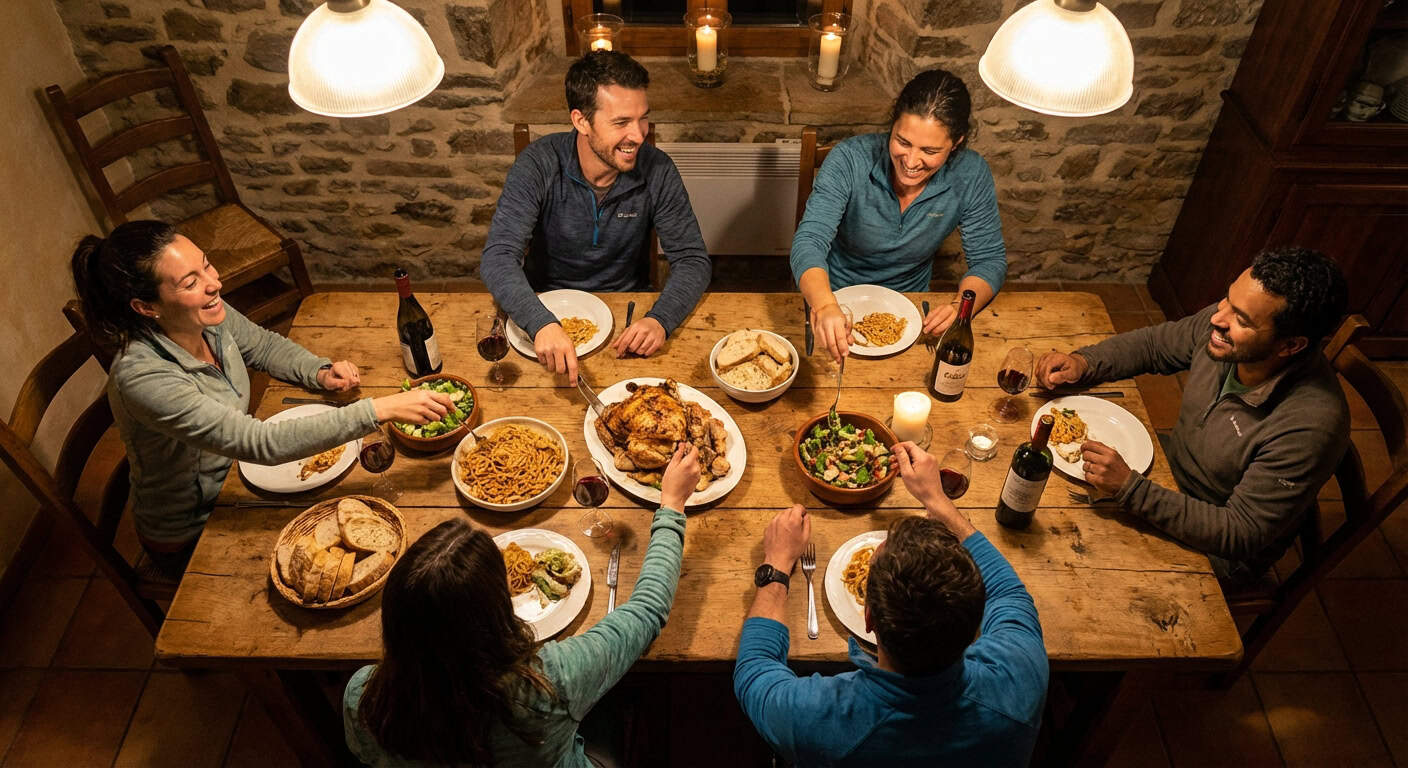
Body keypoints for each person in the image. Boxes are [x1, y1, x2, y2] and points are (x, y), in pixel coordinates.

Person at [71, 221, 451, 573]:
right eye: (190, 281)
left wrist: (318, 371)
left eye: (207, 266)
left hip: (242, 476)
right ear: (146, 307)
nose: (213, 283)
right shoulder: (143, 378)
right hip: (198, 528)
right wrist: (378, 408)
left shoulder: (202, 313)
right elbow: (260, 442)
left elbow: (263, 346)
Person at [344, 443, 700, 767]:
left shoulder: (362, 697)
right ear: (495, 612)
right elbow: (648, 608)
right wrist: (671, 506)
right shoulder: (551, 680)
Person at [1035, 246, 1350, 583]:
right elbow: (1155, 345)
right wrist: (1084, 363)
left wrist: (1130, 489)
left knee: (1077, 571)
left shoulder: (1311, 427)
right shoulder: (1224, 328)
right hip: (1167, 473)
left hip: (1216, 546)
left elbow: (1239, 532)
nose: (1217, 318)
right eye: (1228, 299)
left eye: (1241, 319)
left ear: (1291, 346)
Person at [733, 443, 1048, 767]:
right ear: (974, 623)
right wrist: (940, 503)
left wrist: (777, 565)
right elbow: (1010, 593)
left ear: (868, 617)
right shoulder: (1022, 678)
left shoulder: (822, 721)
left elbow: (754, 673)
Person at [481, 50, 712, 384]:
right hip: (542, 313)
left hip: (627, 314)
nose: (638, 134)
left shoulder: (658, 169)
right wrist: (541, 322)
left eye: (642, 117)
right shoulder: (539, 164)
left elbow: (692, 259)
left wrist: (660, 319)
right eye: (621, 123)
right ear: (581, 121)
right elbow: (498, 257)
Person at [792, 68, 1007, 361]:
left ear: (956, 143)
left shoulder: (971, 174)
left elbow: (989, 261)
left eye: (930, 151)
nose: (911, 161)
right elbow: (809, 241)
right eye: (902, 142)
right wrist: (825, 305)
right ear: (891, 126)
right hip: (834, 296)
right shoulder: (849, 158)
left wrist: (960, 309)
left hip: (911, 309)